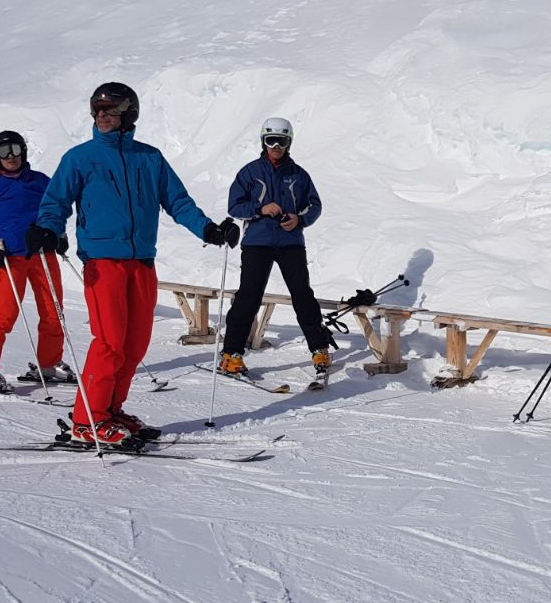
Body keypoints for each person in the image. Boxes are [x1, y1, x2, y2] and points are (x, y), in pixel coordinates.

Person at [27, 82, 239, 446]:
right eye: (97, 110)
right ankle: (87, 420)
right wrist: (47, 230)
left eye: (109, 110)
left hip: (141, 260)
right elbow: (55, 203)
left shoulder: (150, 158)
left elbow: (178, 201)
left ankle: (110, 410)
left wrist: (208, 228)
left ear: (128, 113)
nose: (101, 116)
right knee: (109, 342)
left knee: (135, 344)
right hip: (102, 261)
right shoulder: (80, 158)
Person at [217, 116, 335, 377]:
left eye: (281, 141)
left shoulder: (299, 175)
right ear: (263, 141)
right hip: (257, 241)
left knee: (302, 295)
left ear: (289, 143)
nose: (276, 146)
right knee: (249, 296)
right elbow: (234, 206)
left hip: (290, 242)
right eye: (271, 140)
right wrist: (260, 209)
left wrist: (299, 219)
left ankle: (319, 348)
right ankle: (231, 354)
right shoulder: (250, 172)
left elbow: (314, 205)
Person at [0, 130, 72, 394]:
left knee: (53, 311)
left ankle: (48, 364)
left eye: (15, 149)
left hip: (43, 256)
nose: (10, 156)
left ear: (24, 150)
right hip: (9, 260)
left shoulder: (41, 181)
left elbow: (56, 211)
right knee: (5, 314)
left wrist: (59, 235)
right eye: (3, 152)